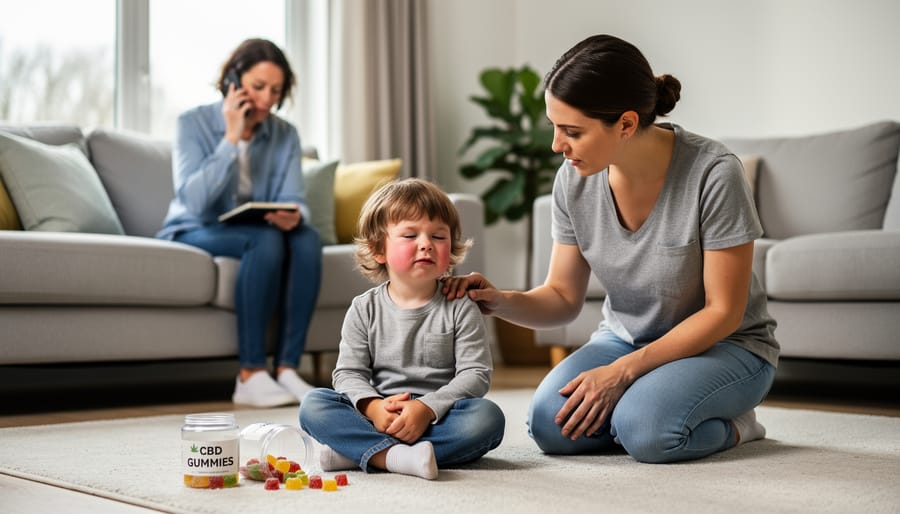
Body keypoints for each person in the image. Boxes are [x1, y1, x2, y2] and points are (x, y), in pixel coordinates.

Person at [442, 34, 779, 464]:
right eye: (555, 127)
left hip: (728, 347)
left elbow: (723, 312)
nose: (557, 146)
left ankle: (737, 426)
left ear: (625, 123)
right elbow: (562, 298)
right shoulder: (573, 180)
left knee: (648, 432)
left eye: (572, 132)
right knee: (551, 425)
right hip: (625, 339)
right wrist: (499, 301)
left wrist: (623, 373)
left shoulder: (713, 174)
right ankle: (649, 406)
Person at [299, 178, 505, 480]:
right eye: (410, 235)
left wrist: (425, 408)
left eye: (438, 236)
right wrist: (373, 408)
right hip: (378, 416)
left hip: (438, 418)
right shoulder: (363, 308)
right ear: (378, 249)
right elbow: (348, 374)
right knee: (313, 404)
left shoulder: (461, 306)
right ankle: (396, 456)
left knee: (487, 419)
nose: (426, 244)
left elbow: (475, 374)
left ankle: (362, 453)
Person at [157, 38, 322, 408]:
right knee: (264, 241)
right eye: (258, 87)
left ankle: (287, 369)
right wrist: (231, 137)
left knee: (307, 238)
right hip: (195, 228)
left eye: (276, 91)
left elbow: (295, 197)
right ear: (233, 81)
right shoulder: (192, 123)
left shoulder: (285, 134)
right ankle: (249, 374)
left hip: (256, 228)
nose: (266, 100)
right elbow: (195, 202)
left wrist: (293, 215)